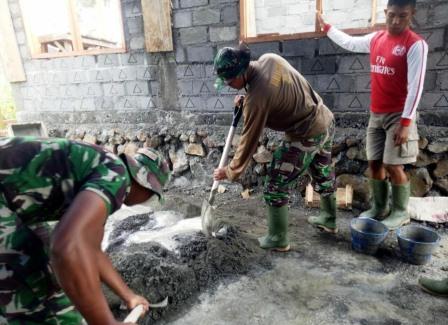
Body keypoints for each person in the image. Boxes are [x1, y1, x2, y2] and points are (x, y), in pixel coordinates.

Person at [0, 137, 171, 324]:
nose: (146, 200)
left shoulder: (103, 173)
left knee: (45, 269)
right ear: (145, 183)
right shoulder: (116, 176)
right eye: (152, 195)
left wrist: (128, 296)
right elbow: (66, 247)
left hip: (12, 202)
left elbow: (92, 249)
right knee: (40, 295)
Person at [213, 43, 337, 252]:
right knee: (322, 171)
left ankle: (278, 238)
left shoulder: (257, 99)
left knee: (275, 183)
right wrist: (248, 98)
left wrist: (230, 171)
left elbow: (249, 140)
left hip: (305, 133)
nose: (227, 85)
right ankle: (329, 219)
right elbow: (276, 92)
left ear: (241, 73)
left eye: (229, 81)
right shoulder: (269, 59)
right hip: (325, 119)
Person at [317, 0, 428, 229]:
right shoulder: (376, 39)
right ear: (386, 13)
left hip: (399, 116)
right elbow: (349, 42)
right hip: (376, 114)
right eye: (392, 15)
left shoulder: (415, 44)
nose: (396, 21)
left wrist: (406, 123)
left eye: (403, 16)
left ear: (411, 15)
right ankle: (379, 208)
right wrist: (327, 28)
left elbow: (416, 87)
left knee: (393, 165)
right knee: (374, 163)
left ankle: (400, 211)